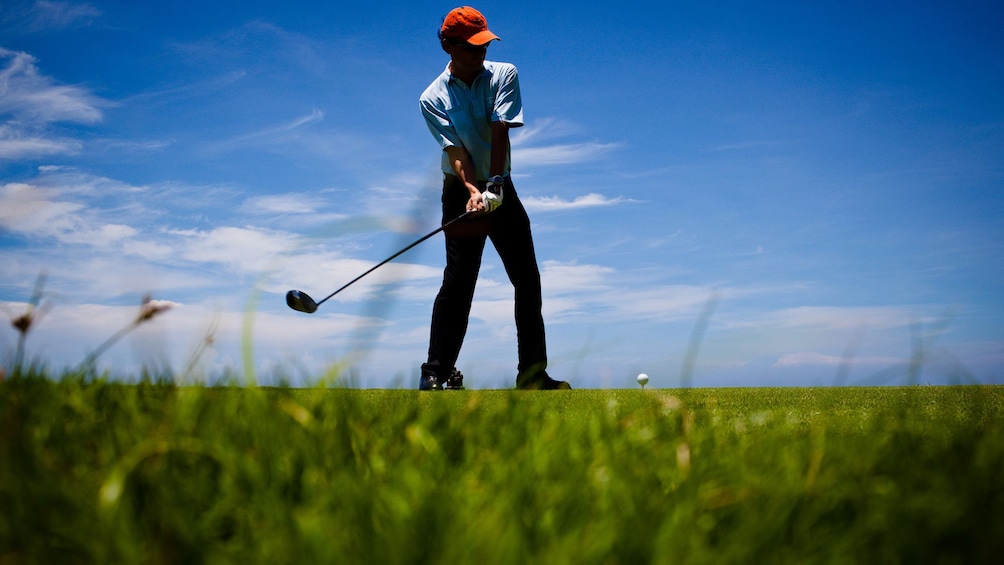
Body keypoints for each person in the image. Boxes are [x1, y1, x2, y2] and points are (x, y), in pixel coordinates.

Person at [418, 6, 570, 391]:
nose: (479, 52)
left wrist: (496, 184)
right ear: (448, 47)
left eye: (483, 43)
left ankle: (532, 376)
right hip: (460, 191)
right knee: (458, 283)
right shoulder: (431, 97)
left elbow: (499, 128)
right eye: (471, 46)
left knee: (527, 279)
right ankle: (435, 373)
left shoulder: (504, 73)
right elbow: (455, 152)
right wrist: (472, 190)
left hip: (501, 184)